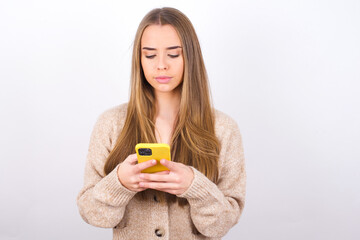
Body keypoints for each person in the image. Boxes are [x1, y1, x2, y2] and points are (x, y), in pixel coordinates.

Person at [77, 7, 246, 240]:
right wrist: (119, 183)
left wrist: (195, 186)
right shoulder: (111, 124)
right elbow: (93, 215)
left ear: (190, 56)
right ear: (139, 59)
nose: (161, 65)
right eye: (150, 55)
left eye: (174, 54)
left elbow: (221, 225)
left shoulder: (224, 129)